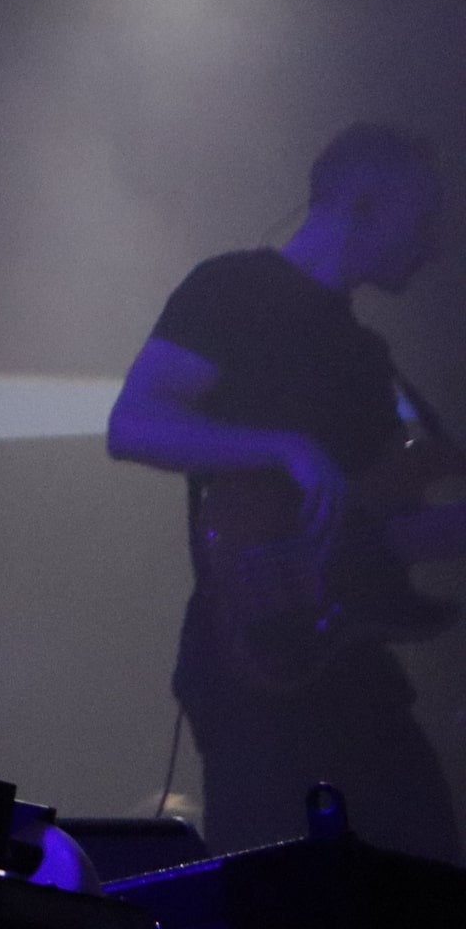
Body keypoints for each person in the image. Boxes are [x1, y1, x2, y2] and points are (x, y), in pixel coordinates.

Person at [108, 122, 466, 860]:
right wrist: (283, 446)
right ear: (364, 202)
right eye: (422, 217)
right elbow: (134, 423)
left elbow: (373, 529)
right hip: (254, 666)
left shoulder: (368, 356)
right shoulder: (233, 289)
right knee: (276, 890)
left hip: (351, 663)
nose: (434, 243)